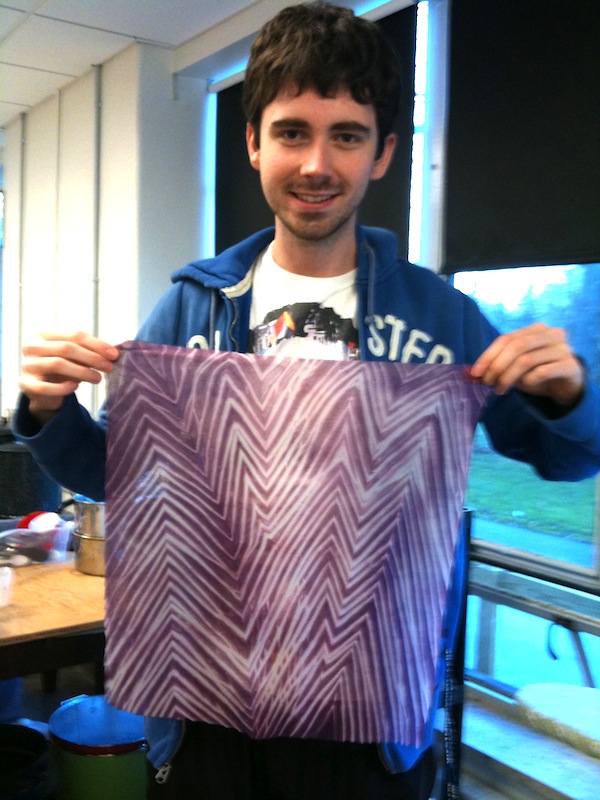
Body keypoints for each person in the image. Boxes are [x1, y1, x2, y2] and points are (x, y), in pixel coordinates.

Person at [13, 4, 600, 799]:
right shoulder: (194, 307)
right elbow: (123, 475)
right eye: (292, 132)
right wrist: (49, 414)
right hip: (209, 712)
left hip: (370, 723)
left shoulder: (439, 318)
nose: (317, 162)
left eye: (347, 135)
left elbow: (568, 458)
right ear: (253, 142)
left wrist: (570, 398)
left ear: (384, 153)